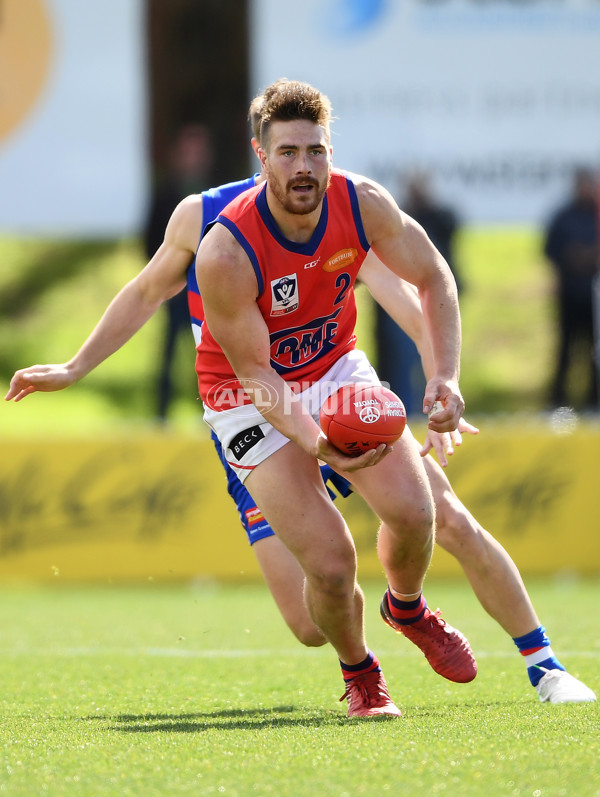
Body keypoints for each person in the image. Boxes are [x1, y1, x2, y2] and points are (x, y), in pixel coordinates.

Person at [6, 82, 595, 710]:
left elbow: (413, 286)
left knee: (434, 512)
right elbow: (179, 314)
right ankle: (357, 663)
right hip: (247, 399)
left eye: (315, 152)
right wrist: (75, 367)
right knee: (319, 608)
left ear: (329, 152)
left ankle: (538, 663)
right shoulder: (214, 232)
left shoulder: (355, 203)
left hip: (335, 371)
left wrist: (443, 381)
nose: (303, 166)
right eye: (287, 152)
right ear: (261, 154)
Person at [375, 172, 463, 415]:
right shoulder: (388, 224)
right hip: (399, 296)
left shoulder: (437, 217)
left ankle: (425, 409)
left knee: (430, 351)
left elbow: (437, 273)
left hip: (423, 296)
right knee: (402, 361)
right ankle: (405, 410)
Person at [144, 123, 215, 420]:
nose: (192, 156)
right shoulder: (167, 190)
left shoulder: (216, 191)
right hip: (175, 287)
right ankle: (162, 411)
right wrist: (165, 273)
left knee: (208, 354)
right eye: (188, 150)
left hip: (208, 288)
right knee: (169, 350)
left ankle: (211, 412)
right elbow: (150, 236)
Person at [543, 166, 599, 412]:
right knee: (565, 349)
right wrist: (572, 257)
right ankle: (559, 401)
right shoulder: (563, 215)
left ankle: (593, 401)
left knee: (594, 351)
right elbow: (550, 249)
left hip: (595, 295)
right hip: (569, 292)